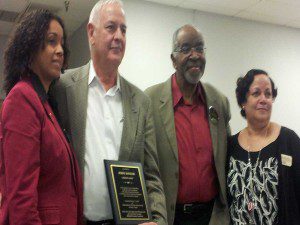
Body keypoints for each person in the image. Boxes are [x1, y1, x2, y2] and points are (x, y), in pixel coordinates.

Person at [52, 1, 167, 225]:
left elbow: (152, 175)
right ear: (91, 33)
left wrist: (159, 220)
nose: (119, 36)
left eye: (123, 30)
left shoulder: (140, 102)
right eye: (111, 27)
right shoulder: (62, 88)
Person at [0, 9, 83, 225]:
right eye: (51, 42)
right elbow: (21, 199)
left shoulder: (44, 102)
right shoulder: (22, 99)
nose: (60, 50)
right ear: (30, 48)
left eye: (62, 43)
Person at [145, 24, 231, 225]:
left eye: (199, 48)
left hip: (212, 217)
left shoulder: (218, 102)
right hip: (170, 216)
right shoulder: (150, 101)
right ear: (173, 60)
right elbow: (145, 165)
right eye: (185, 49)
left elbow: (227, 158)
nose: (194, 55)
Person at [227, 69, 300, 225]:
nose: (264, 99)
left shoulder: (289, 141)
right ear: (243, 101)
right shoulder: (230, 146)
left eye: (268, 94)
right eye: (256, 93)